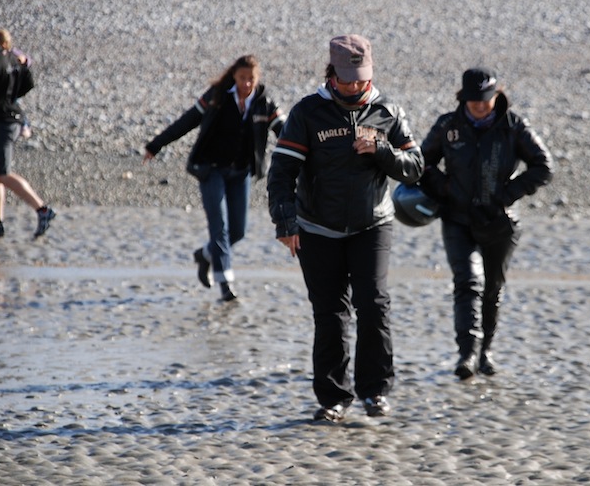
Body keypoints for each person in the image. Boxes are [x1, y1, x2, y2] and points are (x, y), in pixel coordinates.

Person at [267, 34, 423, 422]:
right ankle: (334, 399)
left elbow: (416, 167)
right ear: (332, 73)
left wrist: (382, 151)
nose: (354, 87)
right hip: (317, 228)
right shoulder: (307, 113)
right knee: (330, 313)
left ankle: (375, 392)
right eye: (347, 79)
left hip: (373, 225)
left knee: (373, 304)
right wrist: (285, 223)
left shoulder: (388, 111)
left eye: (361, 79)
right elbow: (281, 173)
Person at [420, 67, 553, 380]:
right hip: (457, 218)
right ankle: (466, 354)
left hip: (499, 221)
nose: (480, 106)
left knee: (492, 289)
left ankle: (485, 353)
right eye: (473, 100)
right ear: (463, 98)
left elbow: (544, 167)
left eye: (485, 99)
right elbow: (421, 162)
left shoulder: (514, 126)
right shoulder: (447, 126)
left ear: (496, 95)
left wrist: (506, 195)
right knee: (467, 282)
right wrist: (445, 190)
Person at [144, 54, 285, 301]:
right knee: (219, 228)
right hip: (211, 170)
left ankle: (205, 255)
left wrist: (310, 154)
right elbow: (187, 121)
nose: (247, 84)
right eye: (242, 78)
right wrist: (156, 145)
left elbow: (286, 133)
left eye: (251, 79)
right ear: (234, 76)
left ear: (257, 78)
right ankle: (225, 286)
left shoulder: (265, 103)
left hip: (241, 171)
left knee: (238, 231)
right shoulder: (216, 96)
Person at [0, 16, 56, 239]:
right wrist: (8, 97)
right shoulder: (10, 56)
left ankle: (43, 209)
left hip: (3, 122)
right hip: (4, 119)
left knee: (0, 173)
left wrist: (2, 101)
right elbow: (28, 83)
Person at [0, 28, 32, 136]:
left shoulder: (12, 53)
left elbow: (27, 61)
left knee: (14, 104)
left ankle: (24, 124)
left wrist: (23, 61)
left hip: (12, 86)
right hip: (5, 86)